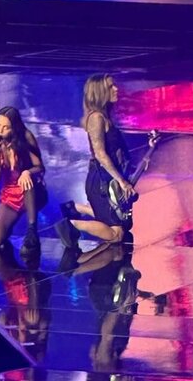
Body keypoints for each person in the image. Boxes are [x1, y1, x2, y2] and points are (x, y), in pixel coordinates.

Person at [56, 73, 134, 253]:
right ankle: (71, 225)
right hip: (100, 180)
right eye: (111, 87)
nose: (116, 89)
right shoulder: (96, 118)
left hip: (108, 177)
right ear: (100, 92)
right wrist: (122, 181)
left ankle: (75, 208)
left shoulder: (106, 116)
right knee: (117, 234)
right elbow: (100, 154)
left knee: (122, 221)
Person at [0, 106, 47, 256]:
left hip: (31, 190)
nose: (0, 130)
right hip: (10, 195)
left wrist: (27, 172)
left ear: (14, 128)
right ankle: (7, 228)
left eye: (6, 127)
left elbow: (40, 167)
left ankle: (32, 231)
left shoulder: (26, 137)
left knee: (26, 180)